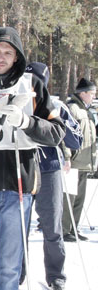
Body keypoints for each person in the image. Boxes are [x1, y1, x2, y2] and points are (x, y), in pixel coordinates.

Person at [0, 27, 65, 290]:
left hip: (19, 187)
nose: (1, 57)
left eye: (8, 53)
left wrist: (26, 121)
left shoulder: (32, 84)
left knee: (10, 265)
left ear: (17, 58)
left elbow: (57, 132)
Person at [21, 62, 83, 290]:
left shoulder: (55, 105)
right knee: (18, 225)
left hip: (49, 169)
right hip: (22, 166)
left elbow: (76, 140)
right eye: (27, 80)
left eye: (37, 81)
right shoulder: (17, 101)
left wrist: (58, 120)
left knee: (52, 226)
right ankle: (16, 273)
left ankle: (56, 275)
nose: (32, 85)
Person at [62, 77, 97, 242]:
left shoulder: (87, 111)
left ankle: (73, 229)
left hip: (85, 162)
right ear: (82, 93)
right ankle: (64, 230)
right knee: (69, 197)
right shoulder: (72, 109)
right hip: (74, 162)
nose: (94, 96)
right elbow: (64, 135)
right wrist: (67, 157)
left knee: (79, 198)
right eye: (92, 93)